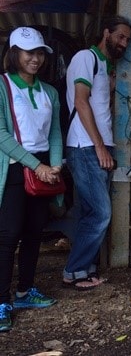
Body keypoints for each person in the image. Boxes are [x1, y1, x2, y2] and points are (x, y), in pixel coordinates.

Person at [63, 16, 131, 290]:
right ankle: (74, 270)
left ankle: (87, 268)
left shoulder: (103, 66)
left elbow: (97, 102)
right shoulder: (85, 57)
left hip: (98, 146)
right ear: (106, 33)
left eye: (127, 40)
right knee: (102, 212)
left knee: (89, 211)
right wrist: (100, 146)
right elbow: (81, 103)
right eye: (120, 36)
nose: (124, 43)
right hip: (86, 146)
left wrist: (112, 84)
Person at [0, 27, 62, 331]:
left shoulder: (49, 91)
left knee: (34, 232)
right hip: (13, 168)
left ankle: (24, 292)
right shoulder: (1, 86)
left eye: (39, 53)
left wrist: (54, 166)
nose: (35, 59)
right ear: (14, 53)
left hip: (43, 170)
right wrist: (35, 166)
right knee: (8, 235)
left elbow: (54, 133)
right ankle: (1, 301)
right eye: (29, 53)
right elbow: (0, 135)